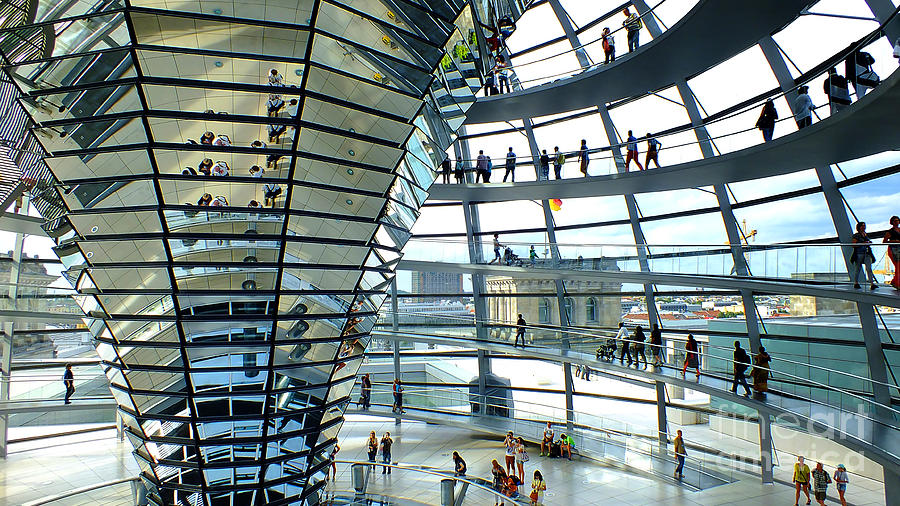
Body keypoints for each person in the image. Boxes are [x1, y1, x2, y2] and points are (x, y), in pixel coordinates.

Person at [851, 222, 878, 290]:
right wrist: (863, 243)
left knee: (869, 268)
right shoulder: (856, 235)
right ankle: (856, 283)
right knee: (858, 268)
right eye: (862, 226)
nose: (864, 227)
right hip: (859, 253)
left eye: (864, 226)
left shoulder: (865, 235)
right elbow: (854, 245)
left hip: (867, 253)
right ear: (859, 227)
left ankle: (872, 283)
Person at [883, 215, 900, 289]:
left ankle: (895, 282)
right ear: (892, 222)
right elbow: (884, 241)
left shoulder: (899, 230)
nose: (897, 222)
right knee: (898, 266)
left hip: (898, 249)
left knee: (898, 266)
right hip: (893, 249)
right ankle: (896, 283)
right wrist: (894, 241)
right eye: (895, 221)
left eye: (898, 220)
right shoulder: (890, 232)